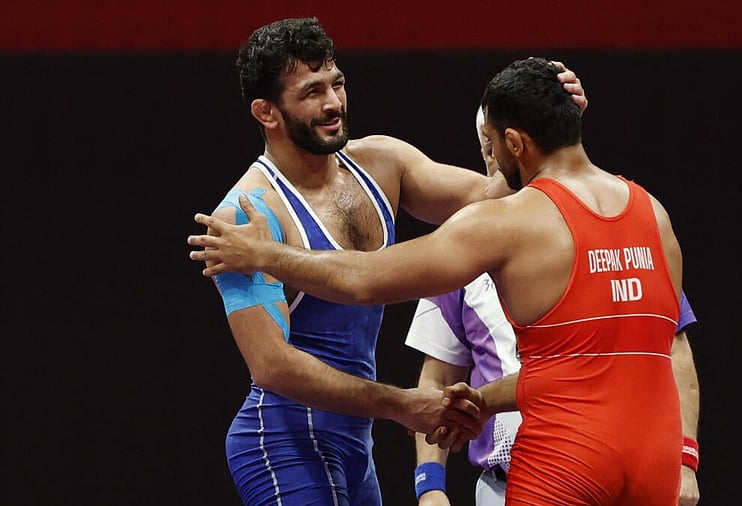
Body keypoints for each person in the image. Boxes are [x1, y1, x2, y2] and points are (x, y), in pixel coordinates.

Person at [189, 57, 685, 505]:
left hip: (567, 454)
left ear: (513, 143)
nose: (333, 102)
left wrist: (264, 253)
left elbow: (365, 281)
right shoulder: (652, 214)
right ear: (266, 112)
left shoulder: (386, 169)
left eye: (336, 84)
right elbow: (272, 366)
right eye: (311, 92)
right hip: (653, 454)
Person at [406, 109, 702, 506]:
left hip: (618, 475)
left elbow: (671, 348)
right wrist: (430, 486)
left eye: (500, 149)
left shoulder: (619, 230)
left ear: (520, 145)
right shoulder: (461, 248)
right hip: (509, 483)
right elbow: (438, 378)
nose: (496, 165)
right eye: (486, 150)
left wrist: (684, 458)